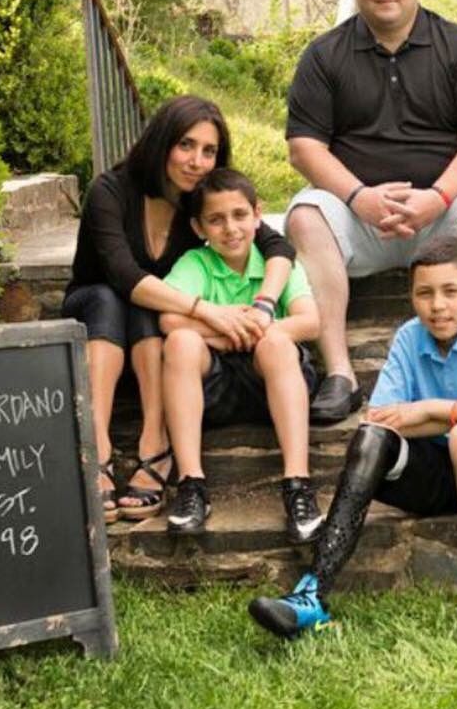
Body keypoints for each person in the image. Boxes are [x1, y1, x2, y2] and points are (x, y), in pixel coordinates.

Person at [247, 236, 457, 646]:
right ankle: (313, 592)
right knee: (372, 439)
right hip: (440, 476)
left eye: (451, 291)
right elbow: (382, 421)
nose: (437, 305)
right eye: (425, 293)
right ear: (411, 297)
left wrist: (429, 410)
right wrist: (438, 416)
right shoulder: (410, 336)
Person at [285, 0, 457, 424]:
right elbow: (304, 147)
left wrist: (438, 197)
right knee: (306, 215)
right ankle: (340, 375)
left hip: (441, 216)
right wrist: (358, 197)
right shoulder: (325, 55)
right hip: (358, 217)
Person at [62, 96, 295, 523]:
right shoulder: (109, 191)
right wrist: (207, 310)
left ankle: (156, 443)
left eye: (209, 151)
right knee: (113, 297)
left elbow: (277, 245)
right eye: (186, 145)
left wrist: (264, 305)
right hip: (95, 314)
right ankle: (95, 449)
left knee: (150, 305)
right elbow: (123, 275)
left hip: (151, 329)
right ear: (162, 142)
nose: (197, 161)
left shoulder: (199, 202)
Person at [158, 168, 322, 542]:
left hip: (274, 381)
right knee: (180, 342)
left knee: (276, 343)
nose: (230, 228)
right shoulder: (196, 263)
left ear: (257, 214)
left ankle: (298, 485)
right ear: (199, 227)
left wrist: (258, 331)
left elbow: (310, 322)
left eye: (239, 215)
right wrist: (227, 331)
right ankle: (191, 484)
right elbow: (168, 319)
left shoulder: (278, 263)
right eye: (216, 220)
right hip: (215, 389)